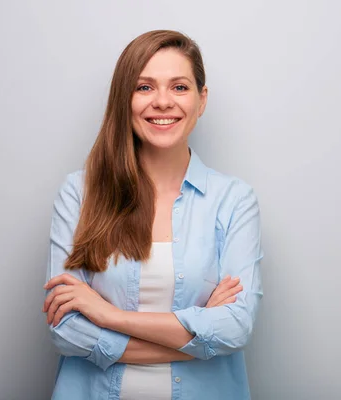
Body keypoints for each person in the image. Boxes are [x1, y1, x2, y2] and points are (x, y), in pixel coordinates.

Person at [41, 30, 263, 400]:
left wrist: (106, 315)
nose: (163, 102)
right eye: (144, 88)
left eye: (179, 87)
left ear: (201, 100)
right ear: (123, 99)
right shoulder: (78, 194)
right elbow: (63, 328)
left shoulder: (234, 200)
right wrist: (197, 335)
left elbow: (236, 327)